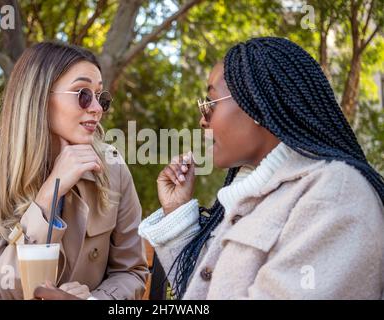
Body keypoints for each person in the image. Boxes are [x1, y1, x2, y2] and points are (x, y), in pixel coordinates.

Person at [138, 37, 384, 299]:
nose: (202, 120)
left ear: (254, 103)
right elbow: (201, 294)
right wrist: (177, 214)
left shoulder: (334, 194)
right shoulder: (252, 197)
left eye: (211, 103)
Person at [0, 41, 148, 300]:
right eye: (83, 94)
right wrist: (49, 194)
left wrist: (91, 300)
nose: (98, 108)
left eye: (100, 97)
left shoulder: (111, 169)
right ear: (39, 97)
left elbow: (132, 271)